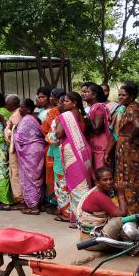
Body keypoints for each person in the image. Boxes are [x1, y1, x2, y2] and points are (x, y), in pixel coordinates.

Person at [111, 81, 139, 214]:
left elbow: (138, 126)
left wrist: (130, 140)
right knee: (133, 177)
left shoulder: (131, 108)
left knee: (130, 179)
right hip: (131, 147)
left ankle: (132, 211)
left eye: (123, 95)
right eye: (119, 95)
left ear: (131, 96)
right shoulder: (137, 107)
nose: (120, 97)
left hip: (129, 148)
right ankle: (135, 209)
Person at [56, 91, 93, 227]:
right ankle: (83, 216)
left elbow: (59, 134)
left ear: (74, 103)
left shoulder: (67, 116)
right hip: (83, 150)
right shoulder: (83, 116)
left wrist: (58, 122)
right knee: (83, 183)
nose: (63, 103)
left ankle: (80, 218)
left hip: (72, 151)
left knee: (76, 186)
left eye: (66, 101)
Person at [76, 167, 129, 241]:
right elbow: (123, 213)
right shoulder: (98, 196)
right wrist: (121, 194)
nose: (109, 182)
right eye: (105, 180)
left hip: (92, 235)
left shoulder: (103, 190)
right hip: (91, 240)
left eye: (110, 179)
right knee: (119, 220)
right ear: (97, 182)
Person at [14, 99, 47, 215]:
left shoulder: (26, 120)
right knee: (38, 178)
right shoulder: (34, 118)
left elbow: (19, 138)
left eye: (22, 107)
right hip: (37, 150)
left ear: (28, 109)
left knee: (29, 178)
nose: (19, 109)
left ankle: (33, 207)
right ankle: (40, 203)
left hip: (29, 152)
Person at [43, 89, 67, 217]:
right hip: (70, 149)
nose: (51, 99)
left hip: (56, 148)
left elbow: (47, 131)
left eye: (52, 96)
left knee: (57, 177)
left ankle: (60, 206)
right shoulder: (77, 114)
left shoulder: (55, 114)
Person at [83, 83, 112, 170]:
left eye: (87, 92)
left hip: (100, 144)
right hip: (95, 143)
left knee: (101, 171)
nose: (84, 94)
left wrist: (86, 118)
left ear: (94, 95)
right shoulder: (93, 107)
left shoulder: (98, 107)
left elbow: (97, 129)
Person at [4, 94, 24, 208]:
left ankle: (19, 198)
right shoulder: (15, 113)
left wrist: (6, 130)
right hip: (15, 147)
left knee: (16, 172)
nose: (7, 107)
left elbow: (14, 133)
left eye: (8, 105)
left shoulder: (17, 114)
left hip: (15, 148)